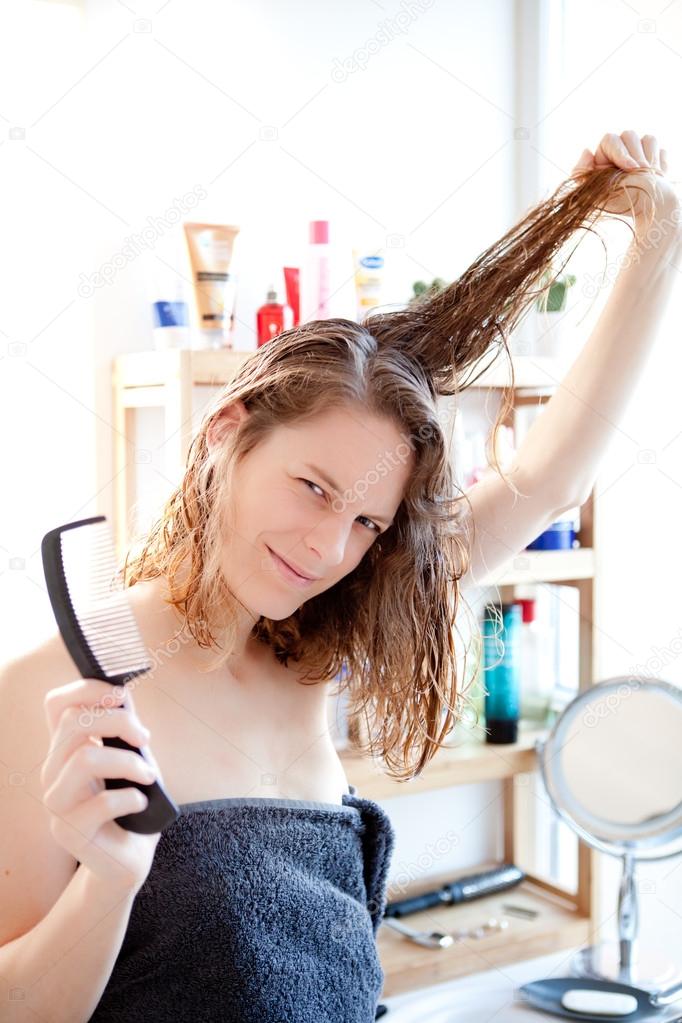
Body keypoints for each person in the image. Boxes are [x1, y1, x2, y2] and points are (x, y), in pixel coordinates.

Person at [1, 131, 679, 1022]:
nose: (326, 550)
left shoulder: (313, 649)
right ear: (227, 430)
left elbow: (548, 479)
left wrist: (658, 235)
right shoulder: (55, 694)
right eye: (312, 487)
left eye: (365, 520)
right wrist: (111, 885)